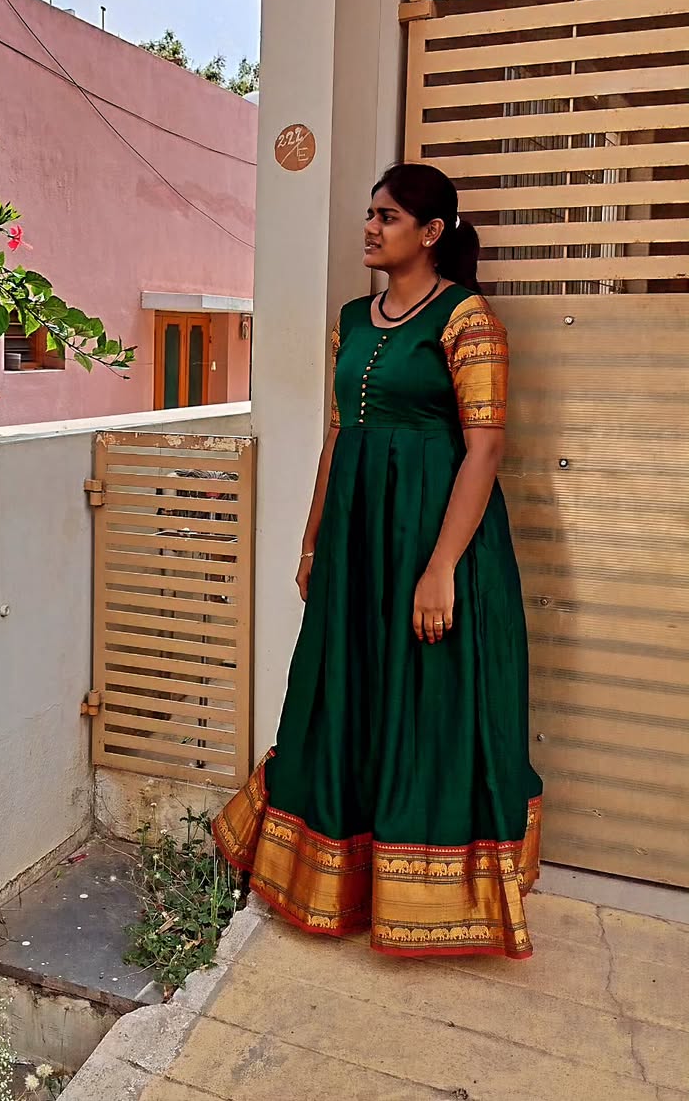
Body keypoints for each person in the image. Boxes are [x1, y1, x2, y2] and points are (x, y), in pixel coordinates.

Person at [213, 162, 542, 959]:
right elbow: (336, 440)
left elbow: (486, 448)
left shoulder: (468, 321)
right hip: (358, 543)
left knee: (428, 699)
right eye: (369, 213)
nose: (369, 227)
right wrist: (312, 540)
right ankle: (338, 875)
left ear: (430, 233)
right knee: (346, 686)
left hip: (435, 540)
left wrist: (439, 571)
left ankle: (427, 892)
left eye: (386, 216)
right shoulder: (352, 320)